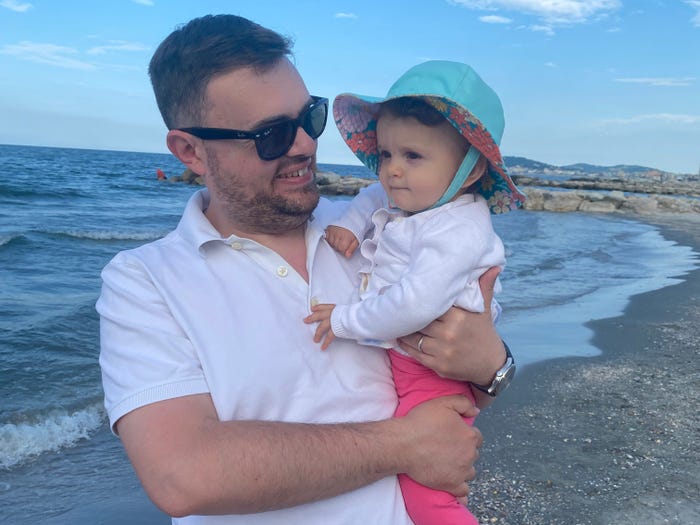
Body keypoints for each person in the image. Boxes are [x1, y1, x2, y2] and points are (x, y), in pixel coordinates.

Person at [97, 14, 511, 525]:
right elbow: (184, 476)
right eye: (271, 134)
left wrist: (494, 366)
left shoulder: (378, 233)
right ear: (190, 151)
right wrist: (404, 445)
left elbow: (452, 395)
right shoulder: (143, 281)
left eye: (308, 117)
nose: (304, 145)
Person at [303, 61, 525, 524]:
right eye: (385, 155)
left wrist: (343, 319)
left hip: (431, 369)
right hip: (422, 359)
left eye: (413, 157)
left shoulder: (459, 229)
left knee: (429, 490)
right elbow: (370, 196)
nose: (392, 171)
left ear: (468, 171)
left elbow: (415, 304)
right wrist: (346, 224)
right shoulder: (416, 198)